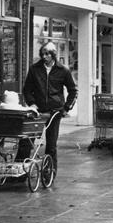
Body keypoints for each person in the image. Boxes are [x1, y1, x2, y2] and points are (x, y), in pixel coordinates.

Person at [22, 41, 78, 174]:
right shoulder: (34, 69)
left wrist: (66, 108)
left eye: (47, 54)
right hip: (37, 111)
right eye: (43, 54)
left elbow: (73, 90)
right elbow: (27, 90)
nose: (44, 57)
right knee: (27, 140)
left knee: (51, 144)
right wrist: (31, 103)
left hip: (54, 111)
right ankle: (21, 171)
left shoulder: (63, 70)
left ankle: (49, 171)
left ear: (53, 55)